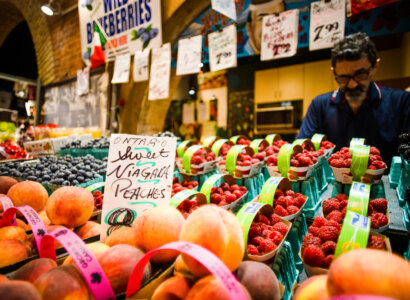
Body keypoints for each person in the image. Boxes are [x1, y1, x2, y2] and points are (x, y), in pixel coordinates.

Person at [297, 32, 410, 166]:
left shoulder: (402, 102)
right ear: (334, 72)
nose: (352, 84)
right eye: (344, 77)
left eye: (360, 74)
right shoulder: (319, 105)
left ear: (375, 67)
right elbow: (301, 152)